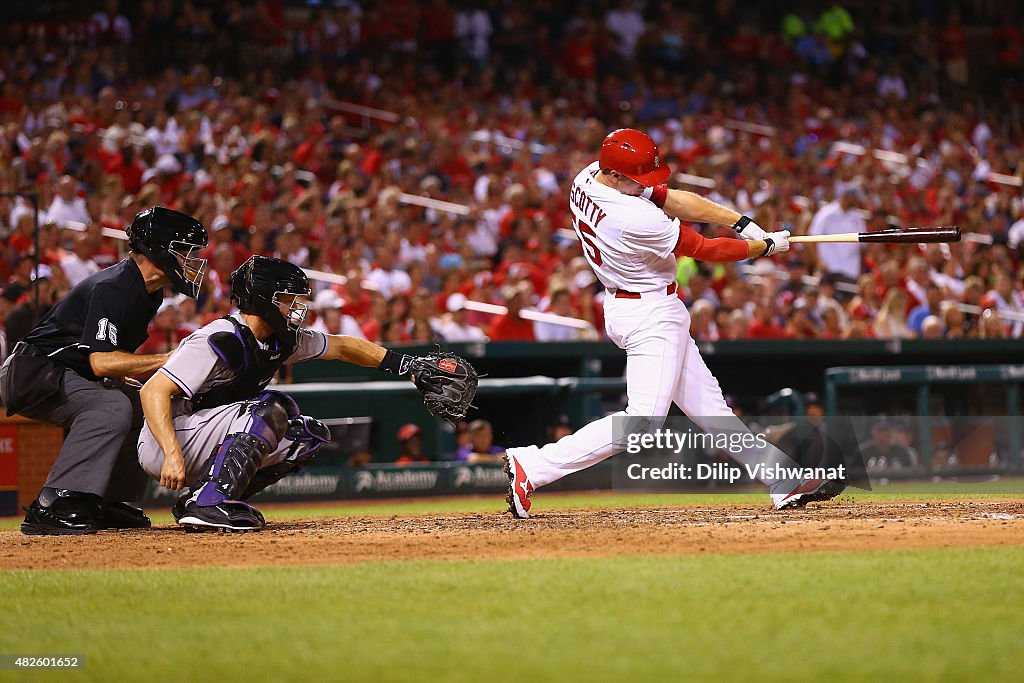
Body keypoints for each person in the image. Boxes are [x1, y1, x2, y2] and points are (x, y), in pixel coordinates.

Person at [503, 128, 843, 518]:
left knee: (711, 410)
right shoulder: (631, 217)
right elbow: (704, 249)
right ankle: (534, 465)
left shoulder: (588, 176)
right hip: (649, 313)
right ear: (614, 176)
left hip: (635, 302)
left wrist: (741, 222)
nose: (648, 186)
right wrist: (764, 247)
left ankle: (783, 480)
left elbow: (671, 197)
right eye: (637, 179)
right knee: (642, 422)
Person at [136, 255, 450, 531]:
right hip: (167, 441)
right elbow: (153, 392)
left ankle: (205, 499)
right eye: (288, 299)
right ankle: (207, 502)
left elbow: (342, 346)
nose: (296, 308)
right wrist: (172, 455)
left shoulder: (280, 339)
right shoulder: (219, 338)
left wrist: (406, 365)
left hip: (202, 435)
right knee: (271, 408)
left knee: (306, 434)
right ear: (263, 299)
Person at [0, 206, 209, 535]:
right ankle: (54, 502)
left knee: (145, 404)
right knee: (111, 406)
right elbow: (101, 360)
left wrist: (122, 375)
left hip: (62, 372)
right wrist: (166, 359)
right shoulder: (115, 286)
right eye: (183, 251)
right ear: (158, 250)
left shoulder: (147, 292)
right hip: (32, 371)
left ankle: (105, 502)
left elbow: (101, 359)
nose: (190, 260)